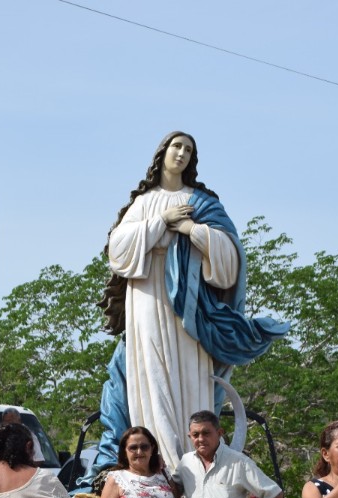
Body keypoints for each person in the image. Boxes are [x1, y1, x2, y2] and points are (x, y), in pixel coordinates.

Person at [91, 131, 287, 472]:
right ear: (162, 153)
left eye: (188, 149)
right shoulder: (143, 202)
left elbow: (229, 259)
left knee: (190, 374)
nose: (181, 153)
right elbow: (118, 250)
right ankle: (155, 462)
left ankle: (193, 462)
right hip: (147, 297)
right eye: (176, 146)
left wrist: (191, 229)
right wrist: (161, 222)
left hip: (189, 307)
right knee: (150, 373)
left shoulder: (201, 202)